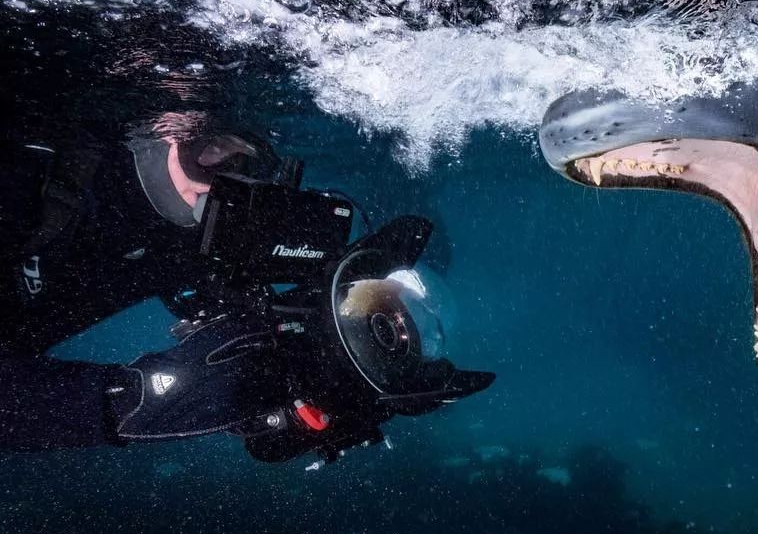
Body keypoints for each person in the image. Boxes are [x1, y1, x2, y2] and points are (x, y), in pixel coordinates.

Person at [0, 115, 493, 461]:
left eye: (249, 168)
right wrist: (129, 400)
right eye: (207, 149)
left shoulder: (185, 238)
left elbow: (264, 331)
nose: (224, 182)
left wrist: (316, 380)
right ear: (146, 127)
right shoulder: (27, 174)